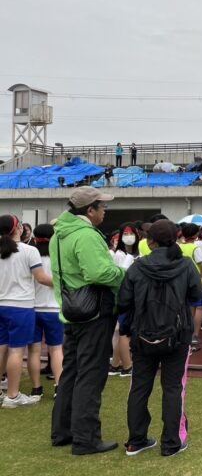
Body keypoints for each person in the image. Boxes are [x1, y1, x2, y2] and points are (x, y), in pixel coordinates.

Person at [118, 220, 202, 457]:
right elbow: (197, 294)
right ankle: (171, 442)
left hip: (142, 333)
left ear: (150, 241)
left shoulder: (137, 266)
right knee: (173, 388)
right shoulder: (185, 265)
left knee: (140, 386)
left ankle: (136, 439)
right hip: (177, 335)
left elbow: (123, 301)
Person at [51, 188, 125, 454]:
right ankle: (86, 438)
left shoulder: (60, 234)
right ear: (89, 210)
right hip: (94, 313)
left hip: (70, 311)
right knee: (91, 375)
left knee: (71, 372)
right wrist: (124, 274)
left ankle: (63, 432)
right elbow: (98, 273)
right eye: (101, 206)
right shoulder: (86, 235)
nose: (105, 211)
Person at [0, 215, 53, 408]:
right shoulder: (29, 250)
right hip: (21, 307)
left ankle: (3, 392)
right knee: (16, 350)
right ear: (18, 228)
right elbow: (41, 278)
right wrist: (64, 284)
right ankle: (13, 395)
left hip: (2, 305)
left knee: (2, 347)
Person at [31, 225, 64, 399]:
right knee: (56, 349)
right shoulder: (59, 256)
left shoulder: (30, 254)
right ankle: (59, 387)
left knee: (34, 351)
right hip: (54, 309)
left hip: (33, 308)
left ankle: (36, 388)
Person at [109, 223, 140, 376]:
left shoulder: (136, 253)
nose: (129, 237)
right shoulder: (119, 254)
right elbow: (117, 276)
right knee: (124, 332)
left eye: (131, 233)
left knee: (122, 331)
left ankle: (115, 364)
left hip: (133, 295)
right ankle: (127, 366)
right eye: (125, 234)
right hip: (126, 296)